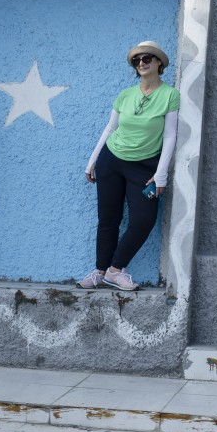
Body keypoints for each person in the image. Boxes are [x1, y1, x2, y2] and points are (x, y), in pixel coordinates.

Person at [79, 40, 180, 291]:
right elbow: (110, 128)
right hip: (111, 161)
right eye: (137, 61)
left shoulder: (170, 95)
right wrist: (92, 160)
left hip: (144, 167)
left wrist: (161, 174)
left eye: (147, 58)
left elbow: (170, 136)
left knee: (143, 220)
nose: (142, 63)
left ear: (159, 63)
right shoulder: (125, 95)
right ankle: (100, 271)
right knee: (108, 219)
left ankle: (116, 270)